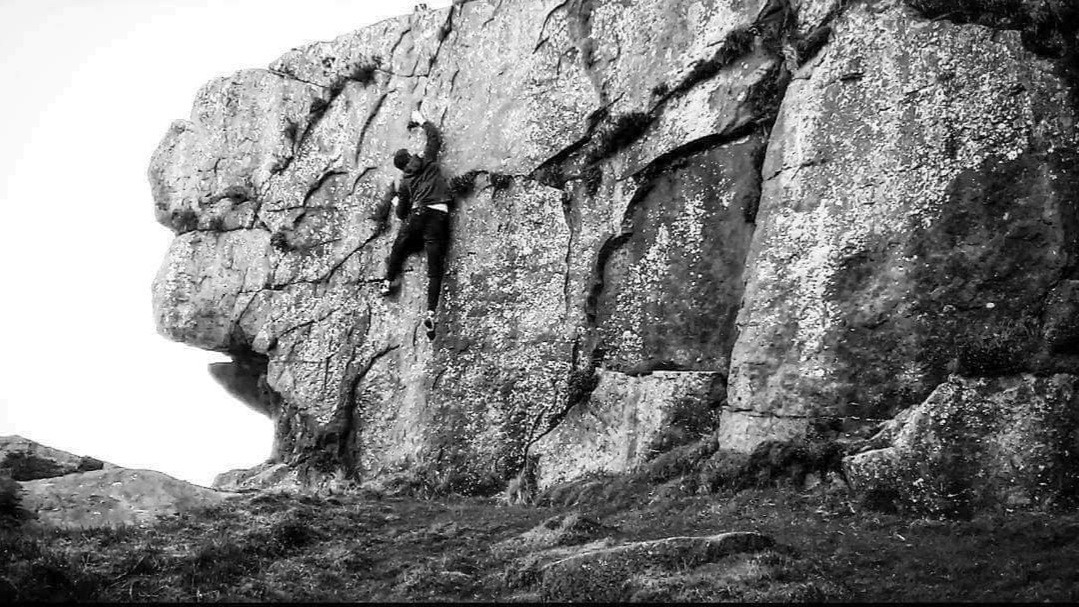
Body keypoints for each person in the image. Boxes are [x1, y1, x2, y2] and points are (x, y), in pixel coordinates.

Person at [377, 109, 453, 340]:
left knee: (399, 245)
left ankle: (388, 280)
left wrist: (396, 202)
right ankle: (431, 311)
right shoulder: (427, 159)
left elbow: (401, 214)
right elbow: (434, 138)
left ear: (401, 168)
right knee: (435, 268)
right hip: (438, 215)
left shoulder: (405, 181)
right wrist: (422, 121)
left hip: (418, 214)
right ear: (410, 156)